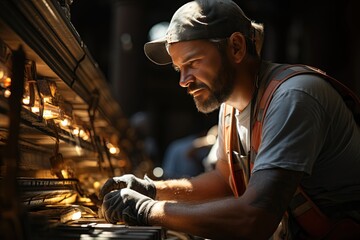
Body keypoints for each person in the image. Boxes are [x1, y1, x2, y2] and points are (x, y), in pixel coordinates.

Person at [98, 0, 360, 239]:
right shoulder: (230, 109)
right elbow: (223, 183)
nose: (183, 80)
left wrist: (148, 210)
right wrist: (152, 190)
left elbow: (255, 218)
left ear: (236, 47)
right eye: (179, 69)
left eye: (194, 62)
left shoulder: (294, 97)